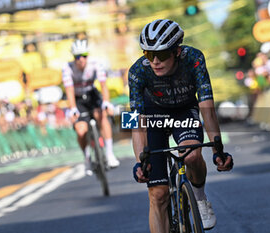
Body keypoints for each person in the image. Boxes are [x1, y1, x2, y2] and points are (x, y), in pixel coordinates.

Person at [129, 19, 233, 232]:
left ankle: (200, 197)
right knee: (158, 195)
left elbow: (207, 108)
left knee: (192, 155)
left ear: (176, 51)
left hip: (184, 110)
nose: (155, 61)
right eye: (149, 54)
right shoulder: (137, 71)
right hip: (152, 115)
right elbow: (135, 120)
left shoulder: (194, 59)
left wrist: (217, 150)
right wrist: (141, 162)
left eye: (162, 54)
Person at [62, 39, 120, 175]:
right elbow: (69, 90)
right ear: (73, 58)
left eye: (84, 55)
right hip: (77, 99)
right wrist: (72, 109)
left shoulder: (95, 64)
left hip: (92, 95)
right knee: (81, 130)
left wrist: (106, 102)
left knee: (102, 116)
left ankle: (110, 153)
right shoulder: (67, 67)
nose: (81, 59)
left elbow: (103, 85)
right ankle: (87, 158)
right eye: (77, 57)